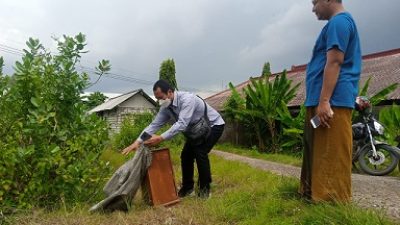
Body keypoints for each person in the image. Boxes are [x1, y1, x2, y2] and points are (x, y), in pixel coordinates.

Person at [300, 0, 361, 203]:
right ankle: (313, 196)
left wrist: (325, 100)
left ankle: (330, 203)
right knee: (317, 149)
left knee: (330, 152)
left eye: (315, 2)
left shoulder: (340, 22)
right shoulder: (335, 24)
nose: (313, 8)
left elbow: (335, 61)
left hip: (331, 101)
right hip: (322, 99)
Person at [122, 79, 225, 199]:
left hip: (213, 125)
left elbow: (182, 124)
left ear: (170, 92)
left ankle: (204, 191)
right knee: (186, 155)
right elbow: (154, 125)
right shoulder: (166, 107)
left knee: (200, 153)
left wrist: (161, 138)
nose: (159, 101)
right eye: (157, 98)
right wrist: (138, 141)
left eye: (161, 97)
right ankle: (187, 188)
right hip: (195, 131)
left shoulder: (187, 100)